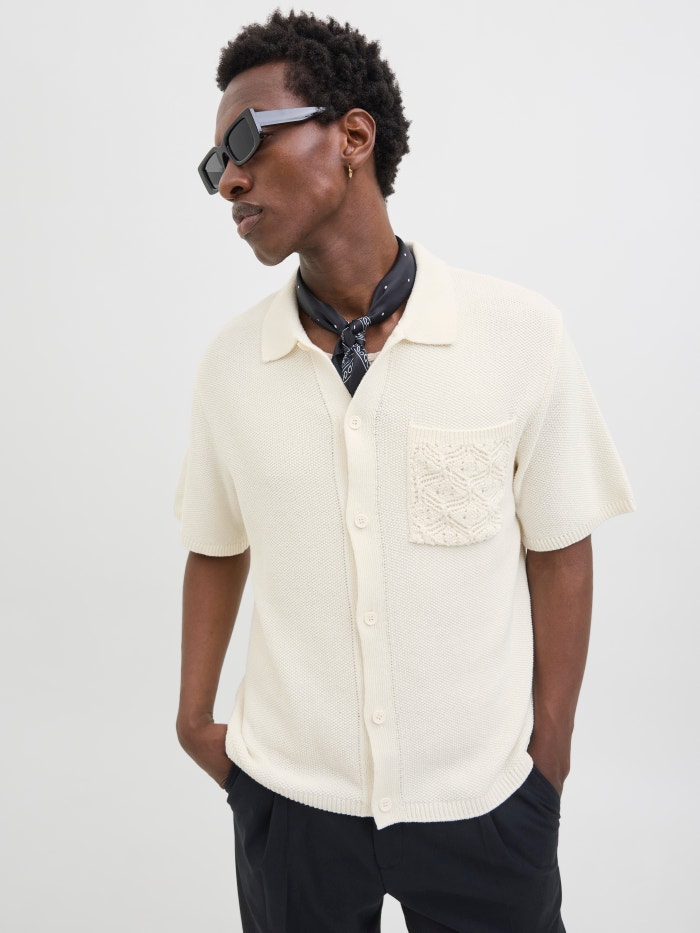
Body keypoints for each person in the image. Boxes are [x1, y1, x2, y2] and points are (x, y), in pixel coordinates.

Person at [174, 11, 635, 933]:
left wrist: (547, 762)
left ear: (353, 137)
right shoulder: (231, 365)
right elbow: (216, 545)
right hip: (291, 801)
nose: (228, 178)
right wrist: (194, 720)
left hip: (485, 801)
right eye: (214, 161)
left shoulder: (519, 334)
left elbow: (559, 548)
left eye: (247, 140)